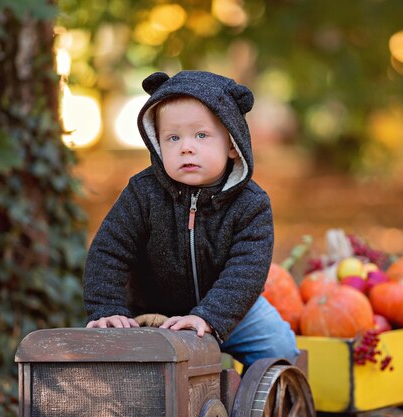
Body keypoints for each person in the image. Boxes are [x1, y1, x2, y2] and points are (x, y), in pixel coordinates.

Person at [83, 70, 299, 367]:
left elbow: (246, 271)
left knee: (280, 346)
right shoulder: (143, 193)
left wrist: (209, 317)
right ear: (158, 144)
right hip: (153, 312)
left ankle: (254, 402)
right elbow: (110, 250)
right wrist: (105, 308)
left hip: (232, 310)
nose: (186, 146)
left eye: (201, 135)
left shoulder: (251, 203)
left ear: (232, 145)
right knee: (124, 367)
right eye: (173, 137)